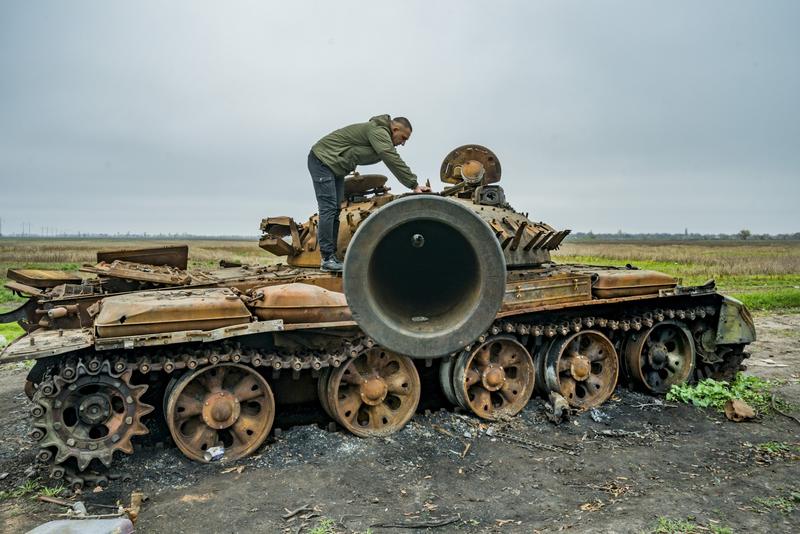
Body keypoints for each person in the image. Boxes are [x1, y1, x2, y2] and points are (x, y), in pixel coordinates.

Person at [308, 114, 430, 272]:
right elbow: (390, 157)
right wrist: (414, 184)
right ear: (395, 129)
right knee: (328, 209)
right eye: (403, 138)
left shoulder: (380, 135)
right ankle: (326, 259)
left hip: (335, 166)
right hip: (322, 160)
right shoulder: (379, 132)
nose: (403, 143)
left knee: (336, 210)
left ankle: (332, 257)